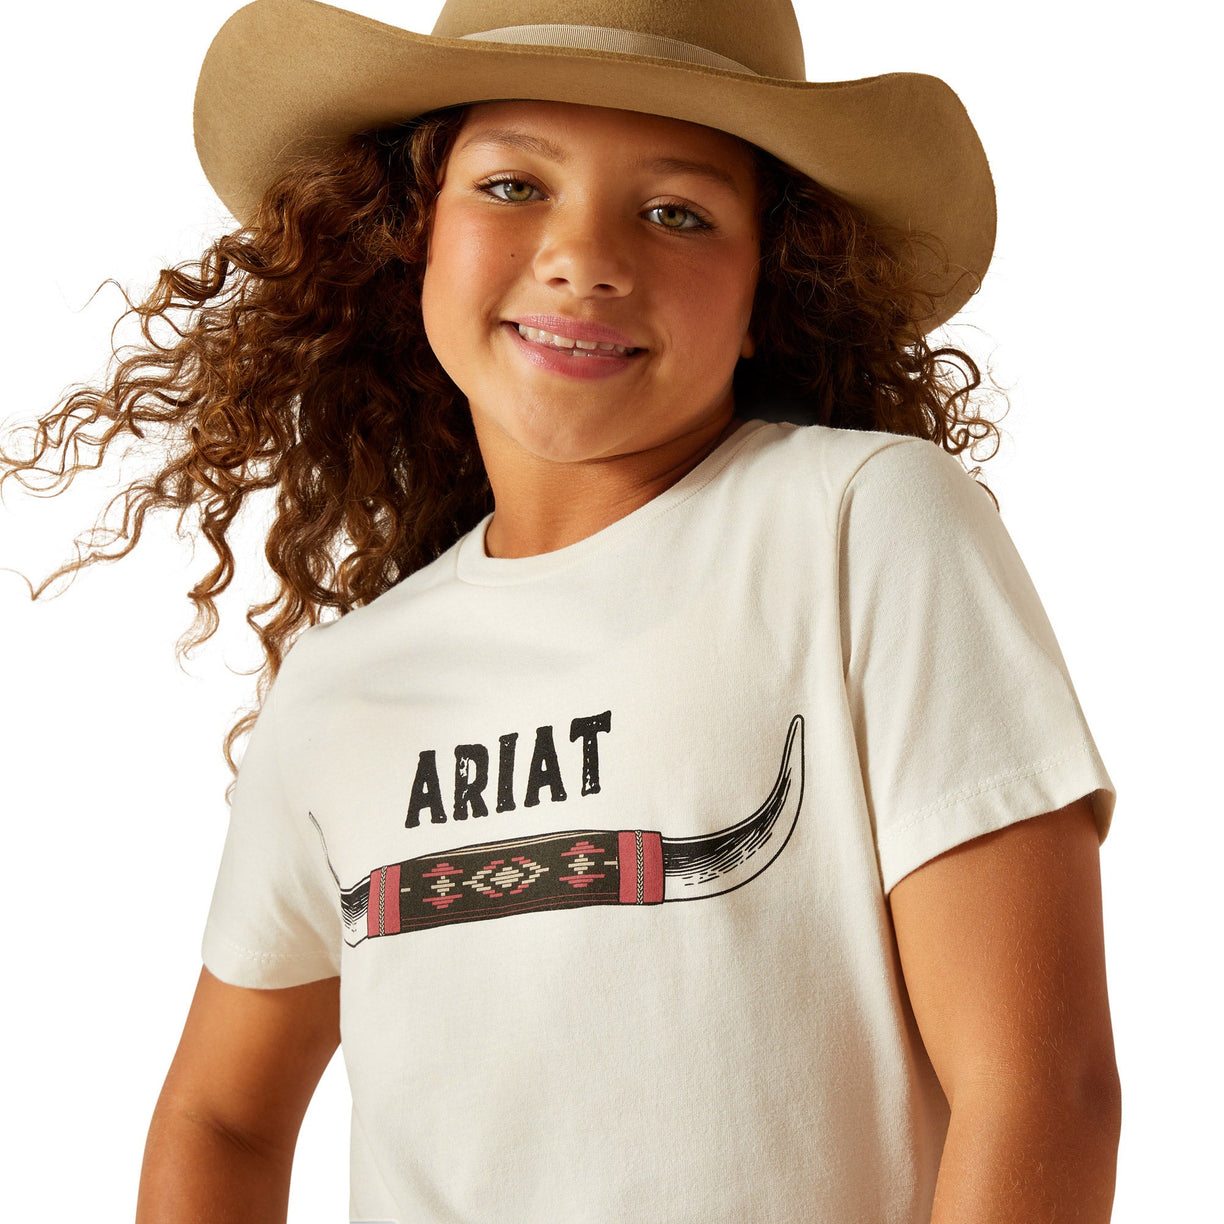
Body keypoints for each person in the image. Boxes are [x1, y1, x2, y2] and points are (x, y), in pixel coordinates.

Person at [1, 0, 1121, 1220]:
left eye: (676, 212)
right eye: (513, 185)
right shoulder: (340, 684)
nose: (585, 257)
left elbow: (1040, 1088)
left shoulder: (859, 527)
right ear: (409, 237)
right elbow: (220, 1117)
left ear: (770, 286)